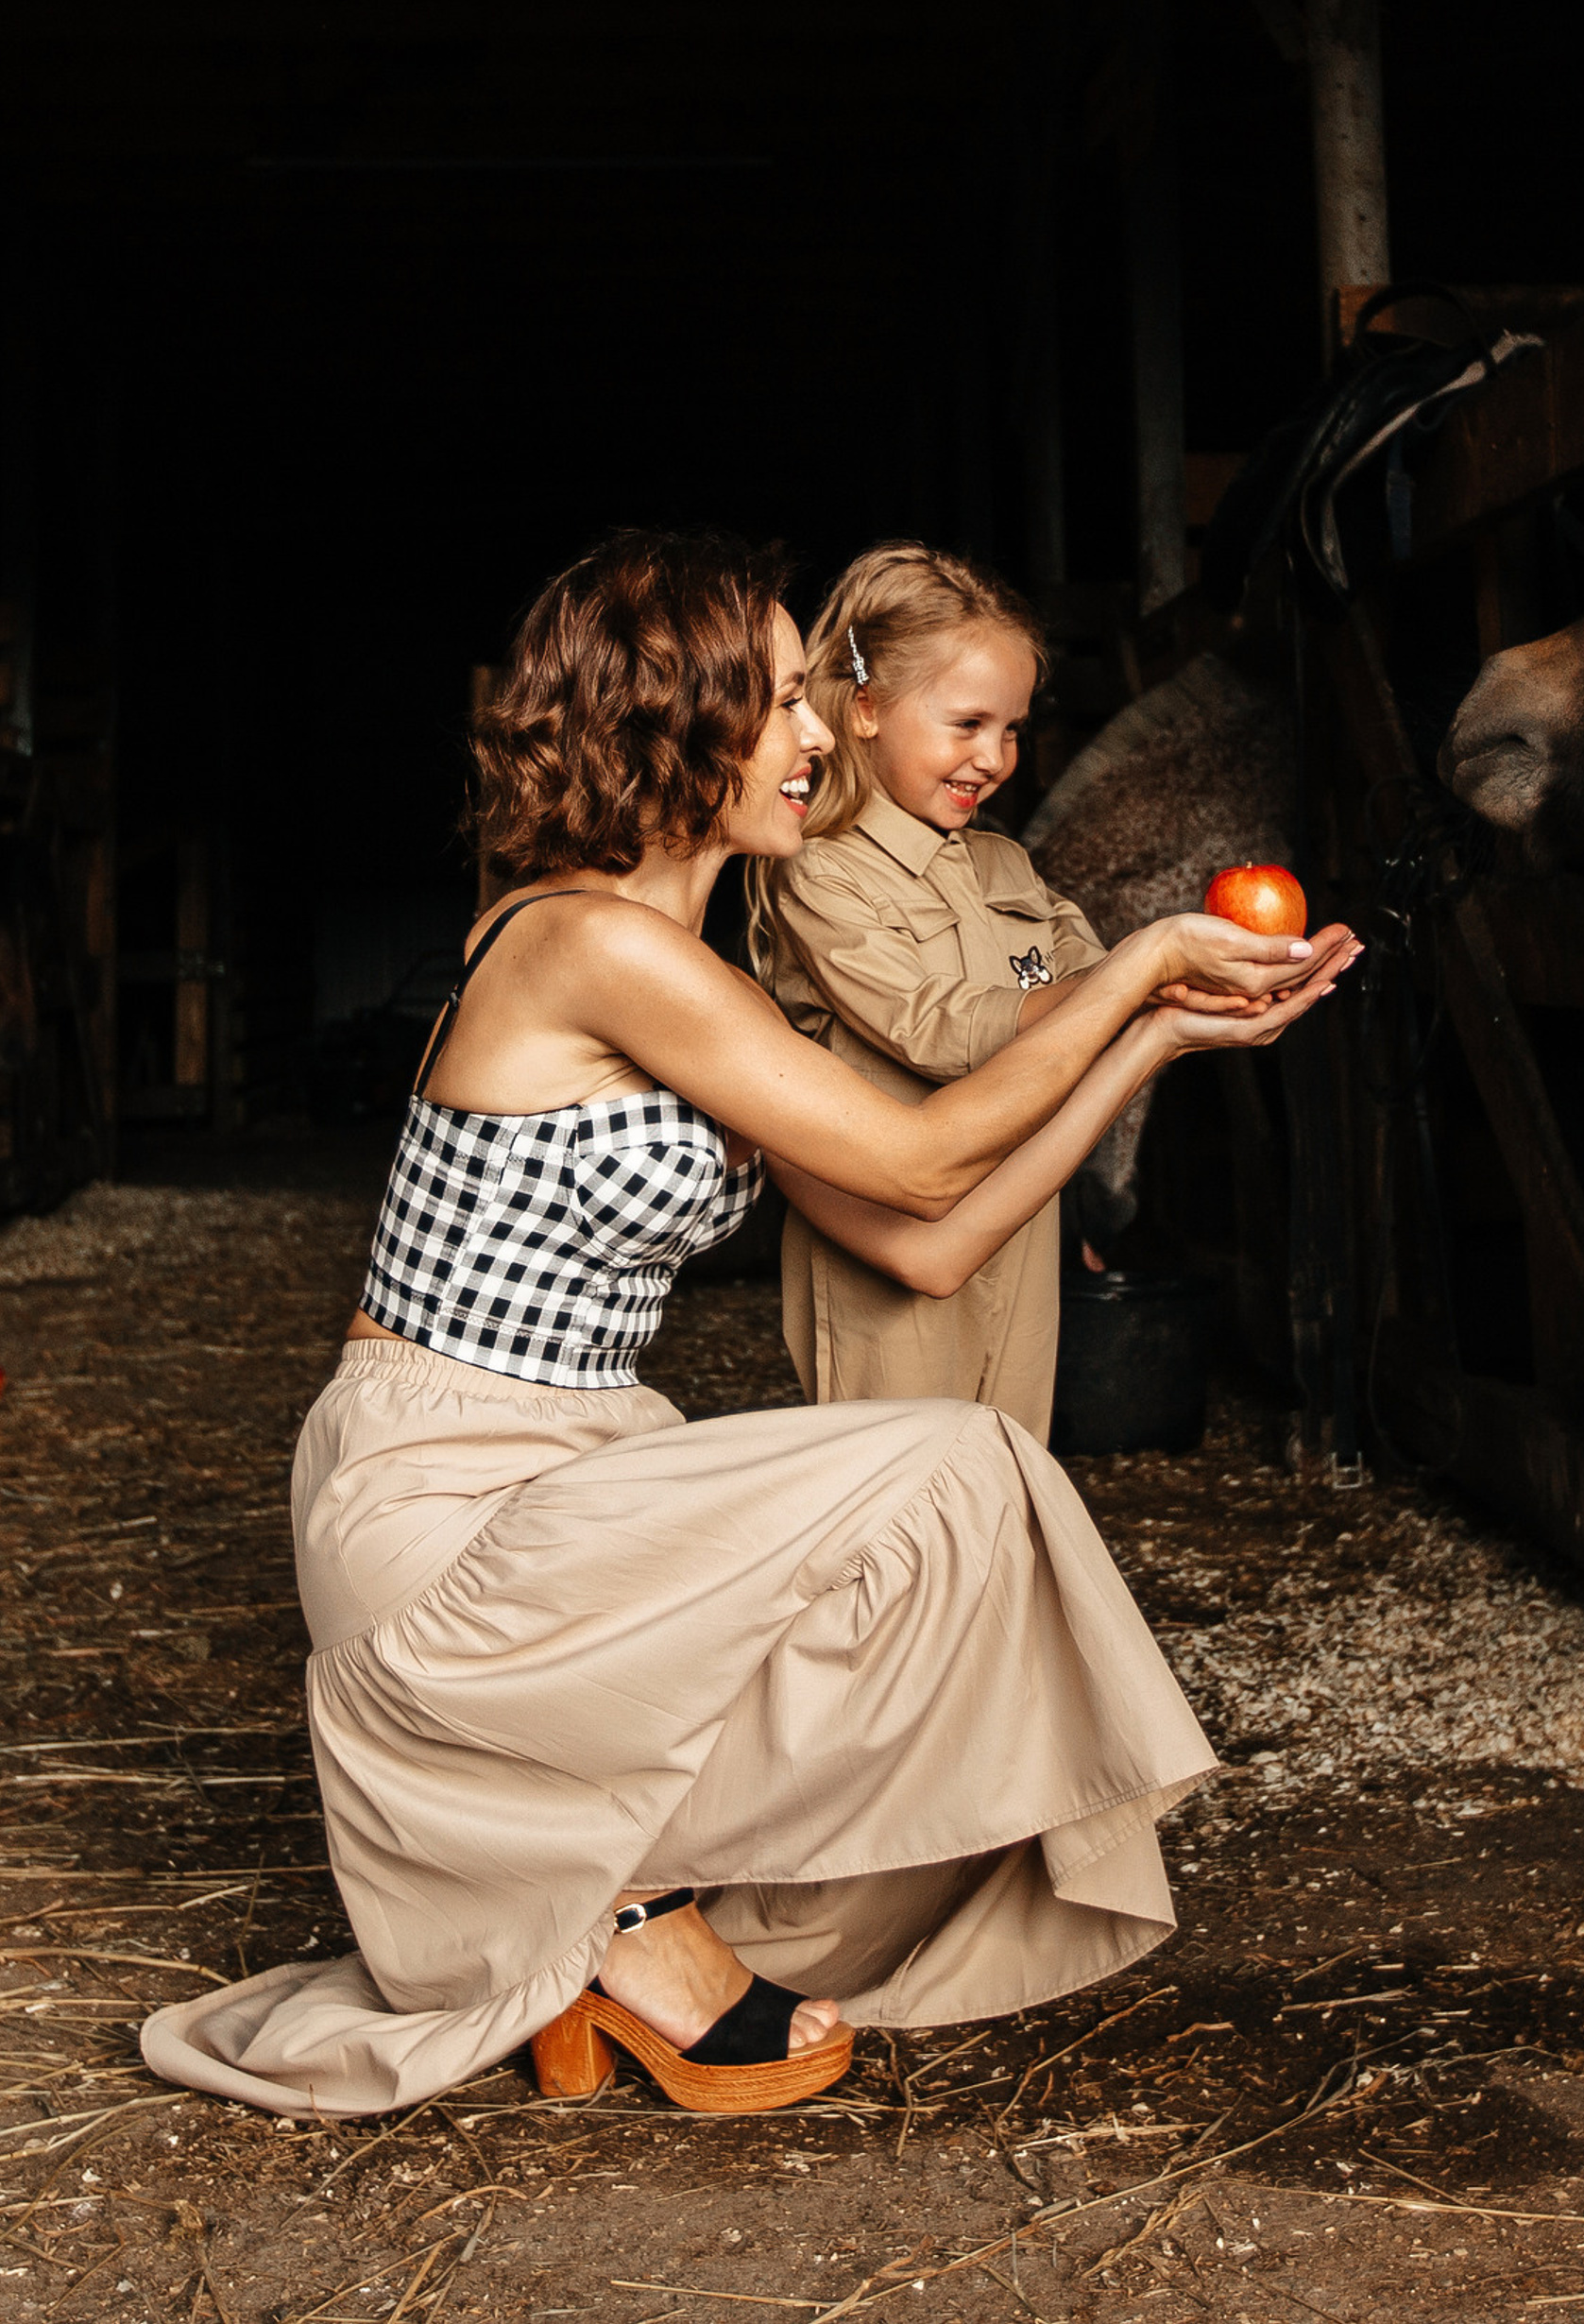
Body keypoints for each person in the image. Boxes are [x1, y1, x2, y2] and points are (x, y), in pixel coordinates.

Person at [139, 531, 1357, 2119]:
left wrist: (1157, 1041)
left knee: (952, 1500)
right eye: (783, 700)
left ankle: (618, 1913)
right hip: (436, 1491)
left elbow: (934, 1240)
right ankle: (618, 1922)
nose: (817, 735)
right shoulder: (582, 942)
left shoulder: (707, 987)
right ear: (676, 722)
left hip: (578, 1465)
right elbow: (923, 1155)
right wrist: (1132, 969)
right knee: (952, 1471)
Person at [748, 543, 1101, 1438]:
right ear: (865, 709)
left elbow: (1086, 969)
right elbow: (930, 1026)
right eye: (967, 723)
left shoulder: (1005, 862)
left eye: (1012, 729)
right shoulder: (820, 871)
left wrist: (1174, 985)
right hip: (888, 1228)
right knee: (895, 1475)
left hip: (1020, 1215)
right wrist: (1136, 984)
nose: (994, 756)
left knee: (1007, 1457)